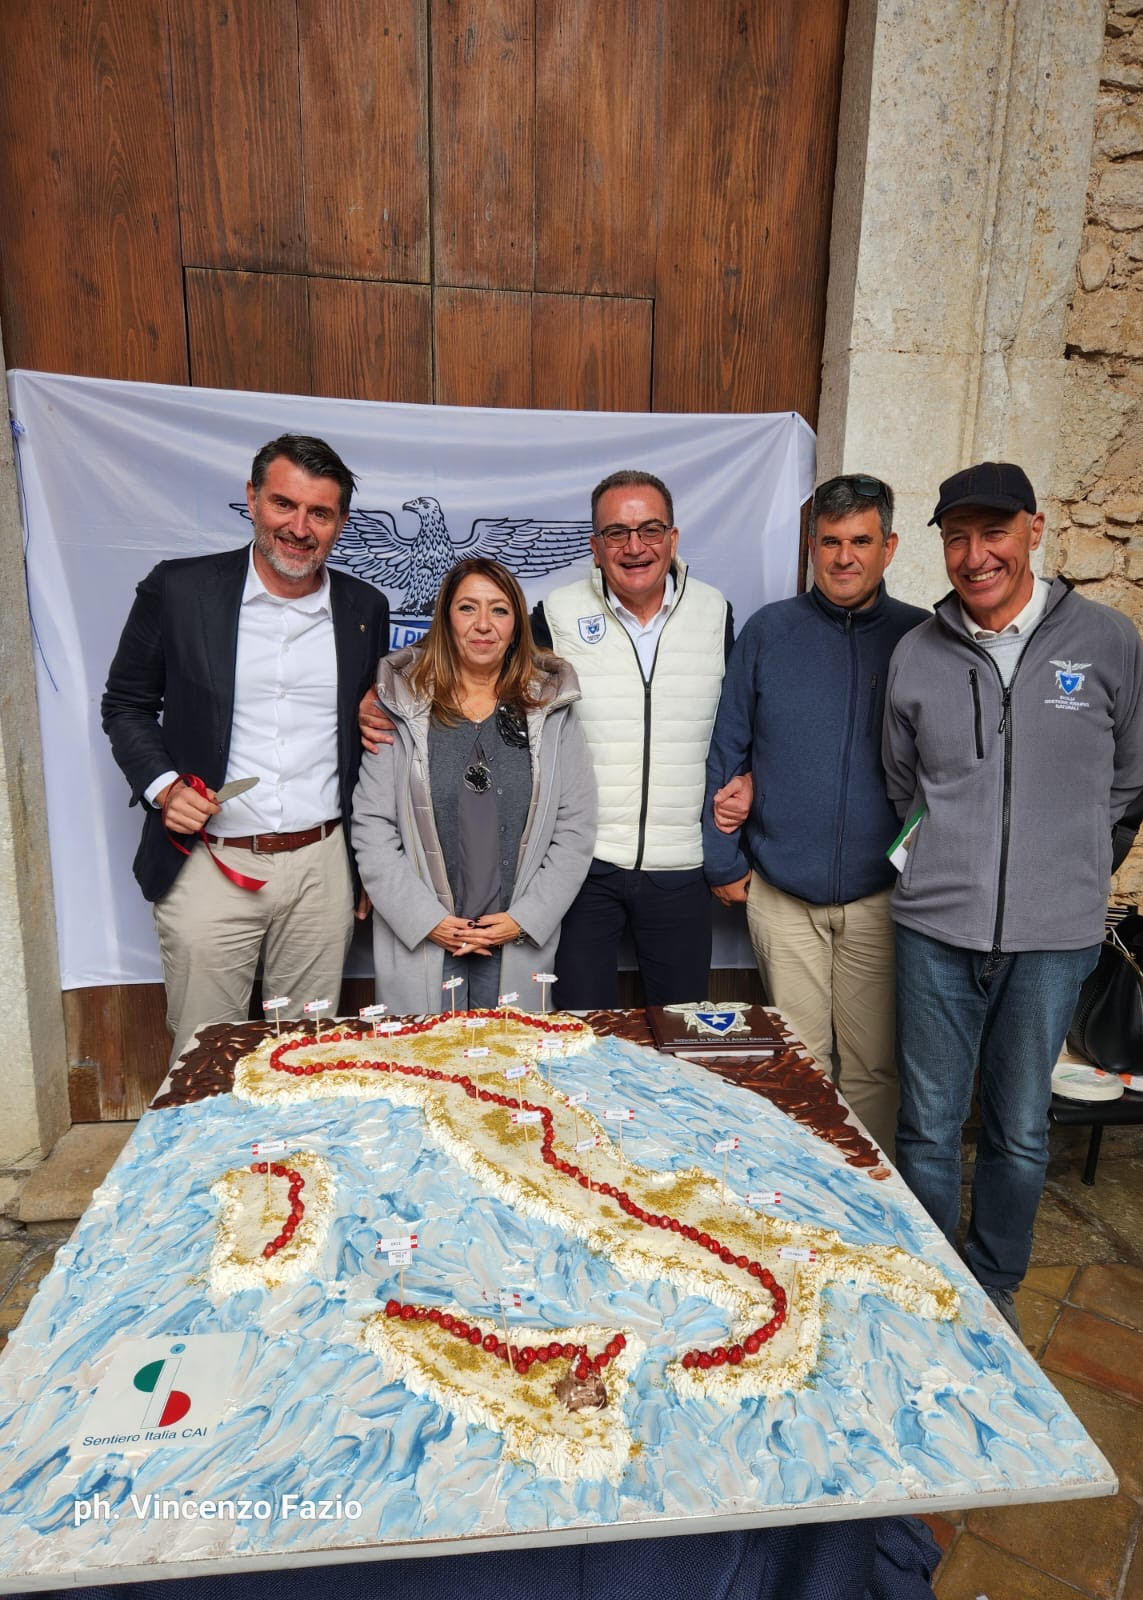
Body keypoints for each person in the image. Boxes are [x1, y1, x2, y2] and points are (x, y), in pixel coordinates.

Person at [883, 460, 1143, 1331]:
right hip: (935, 930)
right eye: (957, 537)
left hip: (1053, 937)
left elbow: (1131, 784)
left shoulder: (1108, 641)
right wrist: (943, 859)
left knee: (1020, 1126)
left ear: (1035, 530)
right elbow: (903, 784)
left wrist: (1068, 867)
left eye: (994, 532)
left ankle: (995, 1283)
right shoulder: (916, 652)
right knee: (928, 1124)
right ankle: (933, 1285)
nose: (976, 556)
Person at [101, 434, 390, 1059]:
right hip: (211, 860)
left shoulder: (365, 607)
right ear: (253, 498)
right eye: (284, 504)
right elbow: (125, 704)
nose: (299, 528)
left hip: (323, 867)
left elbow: (368, 720)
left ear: (340, 522)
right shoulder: (180, 591)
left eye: (320, 513)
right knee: (206, 1056)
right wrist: (164, 787)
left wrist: (373, 710)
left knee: (305, 1056)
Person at [702, 475, 926, 1157]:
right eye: (830, 541)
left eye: (861, 541)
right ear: (811, 546)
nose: (844, 557)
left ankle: (870, 1198)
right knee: (800, 1065)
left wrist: (922, 871)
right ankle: (809, 1194)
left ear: (889, 547)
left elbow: (947, 768)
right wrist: (723, 861)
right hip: (782, 894)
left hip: (881, 897)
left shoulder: (921, 637)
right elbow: (728, 746)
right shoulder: (770, 631)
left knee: (874, 1070)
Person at [352, 558, 596, 1013]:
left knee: (512, 1055)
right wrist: (428, 920)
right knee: (424, 1056)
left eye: (499, 610)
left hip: (513, 937)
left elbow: (575, 828)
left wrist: (524, 919)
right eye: (467, 608)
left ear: (517, 625)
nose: (483, 624)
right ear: (445, 619)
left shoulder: (550, 708)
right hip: (427, 938)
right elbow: (372, 828)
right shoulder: (401, 705)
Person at [528, 469, 733, 1009]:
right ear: (595, 547)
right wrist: (382, 690)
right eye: (616, 533)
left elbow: (744, 723)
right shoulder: (557, 613)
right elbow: (473, 663)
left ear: (673, 538)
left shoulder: (715, 612)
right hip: (583, 864)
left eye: (650, 530)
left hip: (680, 865)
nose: (635, 547)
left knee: (681, 1031)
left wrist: (750, 779)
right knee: (583, 1031)